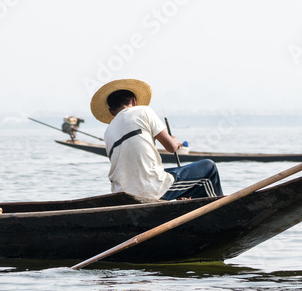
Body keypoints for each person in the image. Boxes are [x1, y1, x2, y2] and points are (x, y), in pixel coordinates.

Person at [91, 79, 223, 201]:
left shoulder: (108, 132)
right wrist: (176, 141)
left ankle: (190, 207)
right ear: (133, 101)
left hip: (122, 193)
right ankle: (219, 211)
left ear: (111, 111)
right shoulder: (143, 111)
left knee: (171, 176)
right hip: (151, 188)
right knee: (208, 167)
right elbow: (171, 147)